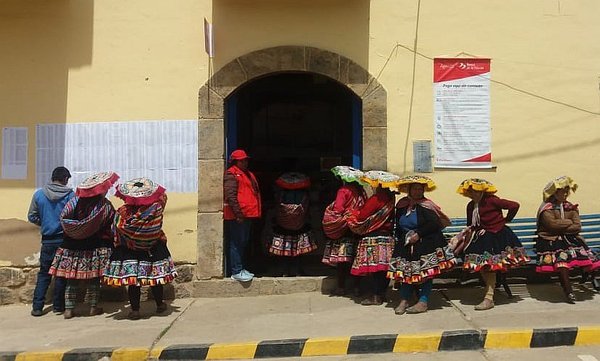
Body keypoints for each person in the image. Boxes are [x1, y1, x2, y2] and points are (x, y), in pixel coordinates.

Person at [104, 177, 178, 319]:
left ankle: (135, 310)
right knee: (155, 279)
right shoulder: (155, 208)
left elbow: (115, 229)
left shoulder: (122, 213)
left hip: (130, 250)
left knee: (134, 282)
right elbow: (164, 197)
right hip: (153, 248)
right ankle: (160, 304)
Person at [49, 171, 118, 319]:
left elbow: (64, 218)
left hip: (71, 246)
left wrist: (76, 229)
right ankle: (93, 307)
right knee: (94, 278)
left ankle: (69, 309)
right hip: (93, 247)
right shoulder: (104, 206)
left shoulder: (73, 202)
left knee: (71, 279)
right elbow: (111, 225)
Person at [456, 178, 529, 311]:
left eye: (477, 191)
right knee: (483, 266)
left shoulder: (492, 200)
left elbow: (514, 205)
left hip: (497, 236)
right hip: (480, 239)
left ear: (483, 191)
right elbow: (470, 224)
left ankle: (489, 298)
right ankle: (490, 292)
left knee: (490, 265)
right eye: (471, 191)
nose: (474, 193)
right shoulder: (471, 205)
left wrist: (507, 219)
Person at [388, 175, 456, 315]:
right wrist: (400, 239)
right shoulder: (402, 205)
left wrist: (418, 234)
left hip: (426, 243)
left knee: (426, 273)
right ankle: (404, 300)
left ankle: (423, 301)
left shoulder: (427, 205)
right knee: (406, 273)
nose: (418, 191)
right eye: (415, 189)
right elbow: (398, 224)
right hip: (406, 243)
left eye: (420, 189)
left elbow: (434, 224)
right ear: (409, 190)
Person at [535, 176, 600, 303]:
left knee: (583, 255)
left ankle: (589, 278)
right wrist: (568, 222)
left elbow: (577, 226)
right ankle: (569, 291)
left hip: (570, 239)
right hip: (550, 240)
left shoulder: (570, 207)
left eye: (567, 191)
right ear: (555, 192)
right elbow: (551, 226)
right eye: (562, 191)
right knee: (561, 258)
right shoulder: (546, 208)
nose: (565, 194)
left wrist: (562, 225)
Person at [27, 166, 74, 316]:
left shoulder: (39, 194)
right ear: (65, 179)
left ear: (53, 178)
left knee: (44, 274)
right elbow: (74, 217)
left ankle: (37, 307)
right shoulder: (70, 195)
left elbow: (32, 216)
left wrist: (45, 223)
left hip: (47, 241)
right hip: (64, 240)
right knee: (61, 274)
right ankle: (58, 307)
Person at [348, 182, 396, 306]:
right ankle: (382, 294)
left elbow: (362, 216)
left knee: (375, 269)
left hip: (374, 238)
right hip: (387, 238)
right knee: (385, 268)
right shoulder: (391, 199)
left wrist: (354, 213)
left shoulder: (376, 199)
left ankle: (375, 296)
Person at [322, 166, 367, 295]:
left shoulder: (344, 190)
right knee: (355, 259)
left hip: (345, 228)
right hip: (357, 227)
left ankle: (341, 287)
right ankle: (357, 288)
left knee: (342, 260)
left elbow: (338, 208)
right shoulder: (361, 191)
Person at [224, 149, 262, 282]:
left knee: (243, 242)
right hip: (239, 216)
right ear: (235, 162)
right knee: (236, 242)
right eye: (242, 160)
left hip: (248, 215)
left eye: (246, 160)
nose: (245, 162)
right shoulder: (231, 174)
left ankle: (241, 268)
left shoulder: (247, 174)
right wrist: (238, 214)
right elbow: (230, 196)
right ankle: (236, 271)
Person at [268, 172, 317, 276]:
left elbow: (276, 207)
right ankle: (298, 270)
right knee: (298, 250)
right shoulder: (304, 194)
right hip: (301, 226)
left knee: (284, 249)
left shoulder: (281, 194)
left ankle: (285, 271)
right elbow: (308, 208)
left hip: (282, 226)